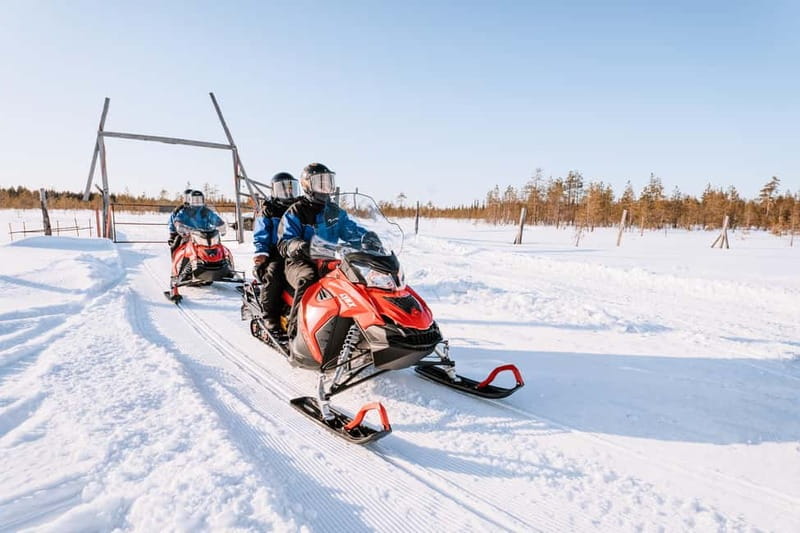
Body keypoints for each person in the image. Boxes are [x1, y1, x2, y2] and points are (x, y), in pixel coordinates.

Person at [277, 163, 375, 338]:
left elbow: (350, 230)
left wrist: (366, 238)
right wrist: (298, 246)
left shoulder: (335, 212)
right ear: (307, 185)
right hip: (300, 261)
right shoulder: (297, 211)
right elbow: (285, 241)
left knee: (358, 282)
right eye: (319, 183)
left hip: (331, 260)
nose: (325, 187)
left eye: (328, 182)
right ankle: (297, 330)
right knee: (309, 279)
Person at [252, 172, 299, 337]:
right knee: (274, 274)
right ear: (274, 190)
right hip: (275, 252)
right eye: (283, 188)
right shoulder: (269, 209)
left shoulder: (300, 207)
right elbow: (261, 233)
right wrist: (262, 252)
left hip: (299, 251)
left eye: (291, 188)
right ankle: (270, 316)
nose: (288, 192)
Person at [168, 189, 225, 254]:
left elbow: (214, 218)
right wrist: (173, 234)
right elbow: (177, 220)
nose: (197, 202)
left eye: (198, 199)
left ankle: (225, 261)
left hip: (206, 235)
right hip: (189, 235)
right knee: (176, 246)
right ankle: (177, 261)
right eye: (194, 199)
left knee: (219, 248)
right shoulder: (183, 211)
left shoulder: (205, 211)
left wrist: (221, 224)